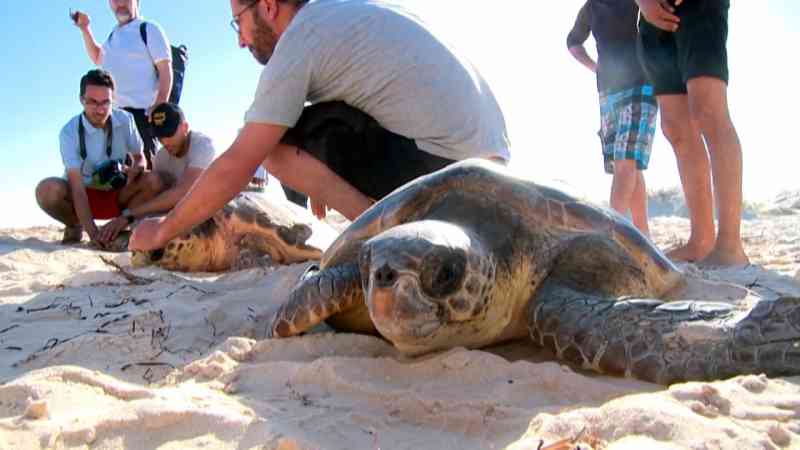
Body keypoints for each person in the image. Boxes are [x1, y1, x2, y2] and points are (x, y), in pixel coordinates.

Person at [130, 0, 510, 252]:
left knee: (271, 148)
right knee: (292, 127)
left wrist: (163, 230)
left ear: (267, 6)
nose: (241, 42)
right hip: (493, 171)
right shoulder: (340, 16)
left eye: (238, 23)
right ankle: (380, 223)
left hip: (449, 173)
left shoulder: (300, 42)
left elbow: (240, 162)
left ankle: (381, 236)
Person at [636, 0, 748, 266]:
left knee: (708, 111)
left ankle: (730, 245)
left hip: (699, 7)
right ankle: (701, 241)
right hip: (651, 17)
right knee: (675, 127)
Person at [35, 69, 164, 247]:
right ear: (81, 100)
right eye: (93, 102)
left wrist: (135, 171)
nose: (100, 109)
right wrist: (94, 234)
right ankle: (75, 225)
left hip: (117, 194)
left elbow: (139, 157)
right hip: (83, 195)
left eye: (106, 102)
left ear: (113, 100)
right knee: (46, 190)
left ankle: (123, 225)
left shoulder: (125, 120)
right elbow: (78, 189)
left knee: (154, 180)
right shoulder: (69, 132)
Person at [567, 0, 658, 236]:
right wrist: (595, 67)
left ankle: (609, 234)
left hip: (641, 84)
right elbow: (573, 42)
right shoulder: (591, 7)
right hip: (608, 92)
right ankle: (642, 234)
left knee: (625, 161)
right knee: (627, 164)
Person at [70, 0, 173, 167]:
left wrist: (160, 104)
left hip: (142, 120)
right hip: (114, 122)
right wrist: (85, 29)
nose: (120, 3)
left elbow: (165, 69)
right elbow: (98, 57)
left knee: (144, 177)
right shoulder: (112, 36)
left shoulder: (147, 29)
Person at [98, 102, 218, 241]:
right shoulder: (161, 157)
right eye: (160, 136)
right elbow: (157, 197)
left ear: (184, 127)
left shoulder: (203, 145)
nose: (165, 142)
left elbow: (184, 192)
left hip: (212, 214)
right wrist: (132, 175)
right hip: (178, 213)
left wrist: (129, 215)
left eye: (169, 133)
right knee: (148, 181)